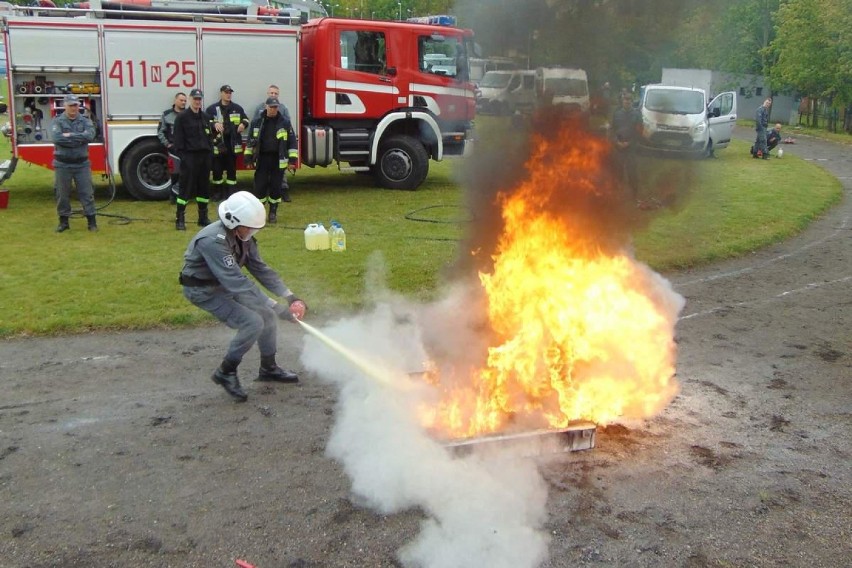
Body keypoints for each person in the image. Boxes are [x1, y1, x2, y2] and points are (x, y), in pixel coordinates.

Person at [178, 191, 308, 402]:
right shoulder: (213, 241)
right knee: (252, 322)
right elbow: (236, 282)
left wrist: (290, 296)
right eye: (249, 227)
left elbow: (260, 268)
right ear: (233, 221)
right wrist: (276, 306)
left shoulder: (242, 236)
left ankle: (268, 368)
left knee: (266, 316)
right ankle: (225, 372)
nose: (251, 231)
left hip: (223, 285)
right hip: (203, 291)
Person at [244, 97, 298, 223]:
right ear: (266, 106)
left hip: (278, 159)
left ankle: (273, 212)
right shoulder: (257, 121)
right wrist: (248, 158)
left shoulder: (284, 122)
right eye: (271, 107)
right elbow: (251, 141)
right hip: (262, 159)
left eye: (275, 107)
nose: (274, 109)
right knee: (260, 186)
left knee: (276, 187)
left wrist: (292, 160)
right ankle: (260, 212)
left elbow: (292, 142)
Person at [51, 93, 97, 232]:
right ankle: (64, 222)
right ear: (65, 106)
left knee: (87, 193)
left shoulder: (85, 121)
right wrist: (79, 137)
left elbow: (90, 135)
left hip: (81, 164)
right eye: (70, 105)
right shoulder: (57, 121)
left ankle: (92, 222)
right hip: (63, 164)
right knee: (62, 194)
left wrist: (70, 135)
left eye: (76, 105)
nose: (73, 108)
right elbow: (57, 138)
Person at [173, 88, 215, 230]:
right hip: (190, 157)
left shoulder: (205, 117)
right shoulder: (182, 117)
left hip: (204, 157)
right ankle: (180, 219)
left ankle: (202, 218)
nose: (197, 101)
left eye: (199, 99)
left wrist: (209, 154)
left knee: (204, 188)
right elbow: (178, 140)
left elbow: (210, 137)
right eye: (195, 99)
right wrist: (184, 158)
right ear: (190, 99)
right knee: (185, 188)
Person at [206, 85, 249, 199]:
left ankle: (231, 193)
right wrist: (214, 124)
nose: (228, 94)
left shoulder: (237, 108)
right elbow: (205, 122)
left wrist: (243, 124)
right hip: (218, 145)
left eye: (230, 92)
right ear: (221, 93)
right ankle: (217, 193)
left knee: (231, 170)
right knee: (217, 171)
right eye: (226, 92)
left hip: (231, 145)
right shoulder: (212, 109)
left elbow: (246, 119)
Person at [253, 84, 293, 202]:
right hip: (263, 150)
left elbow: (288, 124)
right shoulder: (259, 108)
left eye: (276, 93)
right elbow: (255, 124)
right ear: (267, 93)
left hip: (279, 148)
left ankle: (283, 190)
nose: (273, 95)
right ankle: (262, 192)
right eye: (271, 93)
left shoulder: (283, 108)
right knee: (261, 175)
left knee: (280, 174)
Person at [610, 92, 641, 202]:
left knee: (632, 171)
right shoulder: (617, 114)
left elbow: (639, 132)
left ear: (632, 102)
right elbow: (612, 130)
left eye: (629, 100)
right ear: (622, 101)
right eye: (625, 100)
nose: (627, 102)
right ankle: (616, 194)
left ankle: (634, 195)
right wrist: (616, 142)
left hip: (631, 148)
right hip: (619, 147)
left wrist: (630, 143)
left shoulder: (637, 115)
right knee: (618, 171)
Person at [157, 92, 187, 203]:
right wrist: (167, 144)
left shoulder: (188, 114)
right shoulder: (166, 114)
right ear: (175, 101)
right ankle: (174, 197)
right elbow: (161, 132)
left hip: (186, 149)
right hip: (173, 149)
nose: (183, 102)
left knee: (187, 173)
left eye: (185, 100)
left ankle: (183, 194)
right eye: (181, 100)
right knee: (175, 173)